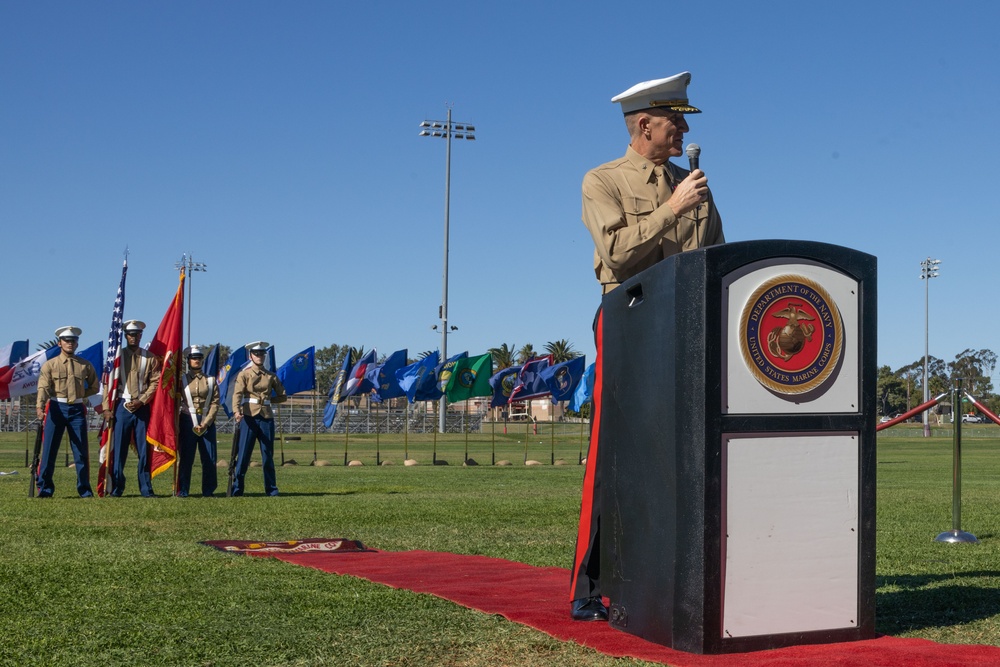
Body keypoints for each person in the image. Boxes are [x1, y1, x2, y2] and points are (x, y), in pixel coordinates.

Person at [571, 72, 725, 621]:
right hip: (630, 321)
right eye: (675, 120)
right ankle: (589, 585)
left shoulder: (694, 184)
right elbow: (615, 256)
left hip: (688, 326)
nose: (683, 129)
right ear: (643, 125)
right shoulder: (603, 180)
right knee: (614, 448)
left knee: (683, 452)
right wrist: (673, 209)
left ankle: (675, 575)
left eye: (684, 121)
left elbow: (718, 260)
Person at [35, 326, 99, 497]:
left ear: (77, 343)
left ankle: (85, 490)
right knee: (49, 450)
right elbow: (43, 387)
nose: (70, 343)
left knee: (81, 451)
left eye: (73, 340)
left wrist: (80, 395)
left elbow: (94, 386)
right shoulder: (50, 365)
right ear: (60, 343)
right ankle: (45, 488)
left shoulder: (85, 365)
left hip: (77, 409)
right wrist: (39, 407)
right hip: (56, 408)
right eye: (67, 341)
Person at [104, 319, 161, 497]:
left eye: (136, 335)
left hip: (141, 406)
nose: (133, 337)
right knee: (119, 449)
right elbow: (107, 383)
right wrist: (106, 408)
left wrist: (142, 400)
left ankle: (145, 488)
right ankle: (117, 487)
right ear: (125, 336)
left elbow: (156, 381)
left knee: (144, 449)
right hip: (121, 405)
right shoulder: (116, 357)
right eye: (130, 334)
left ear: (141, 336)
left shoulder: (150, 357)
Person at [231, 341, 287, 496]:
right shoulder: (244, 374)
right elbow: (237, 394)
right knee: (243, 455)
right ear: (251, 356)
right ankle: (237, 488)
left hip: (266, 417)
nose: (260, 356)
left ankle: (271, 489)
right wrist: (236, 411)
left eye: (262, 354)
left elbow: (283, 396)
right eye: (256, 354)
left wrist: (268, 401)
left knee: (267, 455)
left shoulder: (271, 376)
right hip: (248, 417)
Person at [176, 345, 220, 497]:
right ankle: (183, 490)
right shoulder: (180, 380)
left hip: (206, 421)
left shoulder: (211, 380)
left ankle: (208, 490)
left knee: (209, 458)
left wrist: (206, 422)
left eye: (199, 358)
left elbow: (215, 402)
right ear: (188, 361)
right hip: (187, 420)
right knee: (186, 458)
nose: (197, 361)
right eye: (194, 358)